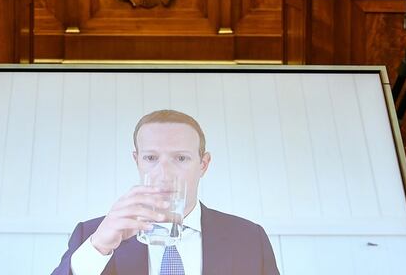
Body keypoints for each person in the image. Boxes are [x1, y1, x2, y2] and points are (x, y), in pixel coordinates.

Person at [51, 109, 280, 275]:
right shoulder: (92, 235)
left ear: (203, 164)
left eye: (181, 158)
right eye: (151, 158)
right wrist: (98, 247)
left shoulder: (249, 238)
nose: (164, 173)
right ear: (137, 161)